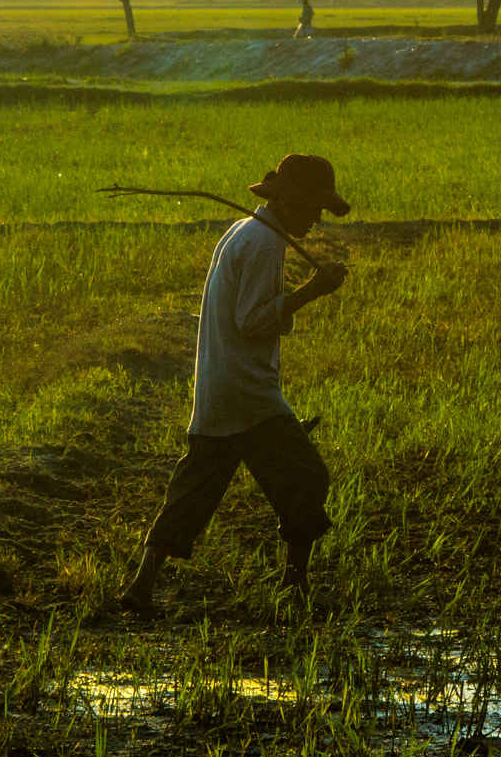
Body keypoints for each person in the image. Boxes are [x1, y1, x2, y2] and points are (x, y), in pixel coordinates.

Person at [119, 154, 351, 608]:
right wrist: (312, 290)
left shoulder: (246, 231)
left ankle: (140, 586)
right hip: (249, 394)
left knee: (193, 490)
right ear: (284, 201)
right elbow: (251, 322)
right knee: (308, 477)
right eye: (311, 209)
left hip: (217, 389)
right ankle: (295, 588)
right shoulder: (266, 244)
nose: (316, 220)